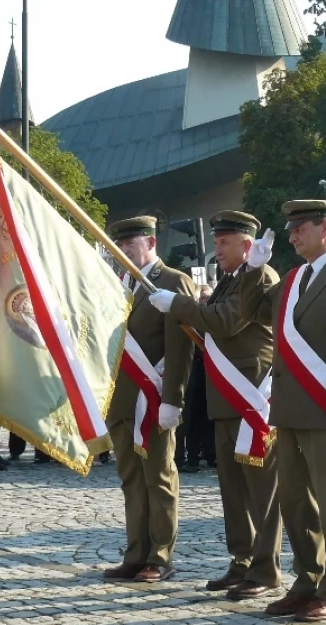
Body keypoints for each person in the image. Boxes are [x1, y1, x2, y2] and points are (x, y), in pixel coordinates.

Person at [237, 199, 326, 622]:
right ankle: (306, 581)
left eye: (301, 228)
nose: (293, 235)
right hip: (290, 410)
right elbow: (252, 312)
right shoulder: (294, 278)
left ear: (325, 228)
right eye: (291, 229)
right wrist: (254, 269)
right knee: (294, 502)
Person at [149, 210, 283, 601]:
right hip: (226, 397)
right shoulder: (230, 280)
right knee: (233, 490)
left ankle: (265, 569)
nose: (217, 249)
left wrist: (179, 304)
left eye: (224, 242)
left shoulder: (260, 277)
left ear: (247, 245)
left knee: (261, 490)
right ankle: (242, 561)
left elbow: (226, 321)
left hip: (250, 397)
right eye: (217, 242)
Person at [103, 216, 196, 584]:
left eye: (131, 244)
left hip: (153, 398)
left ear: (151, 243)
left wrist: (173, 398)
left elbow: (180, 346)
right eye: (120, 246)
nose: (124, 251)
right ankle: (135, 553)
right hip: (121, 400)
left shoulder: (173, 281)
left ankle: (160, 556)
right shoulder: (117, 284)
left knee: (158, 478)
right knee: (131, 480)